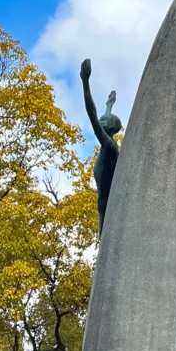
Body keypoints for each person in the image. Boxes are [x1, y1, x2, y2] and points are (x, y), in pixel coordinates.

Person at [80, 59, 121, 237]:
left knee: (103, 241)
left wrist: (85, 82)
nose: (102, 120)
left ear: (110, 128)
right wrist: (110, 104)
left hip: (105, 207)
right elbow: (104, 116)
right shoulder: (109, 143)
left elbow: (93, 115)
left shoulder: (109, 146)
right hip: (102, 204)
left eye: (105, 121)